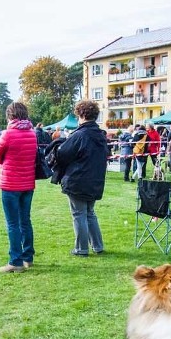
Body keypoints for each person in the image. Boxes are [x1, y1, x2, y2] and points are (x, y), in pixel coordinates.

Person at [55, 100, 108, 257]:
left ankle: (81, 248)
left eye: (78, 115)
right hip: (94, 180)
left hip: (78, 180)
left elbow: (62, 153)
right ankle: (97, 246)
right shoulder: (100, 135)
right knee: (89, 213)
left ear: (82, 115)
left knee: (79, 214)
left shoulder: (79, 135)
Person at [0, 101, 37, 273]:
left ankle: (15, 261)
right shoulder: (32, 134)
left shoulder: (8, 134)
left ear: (10, 115)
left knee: (13, 224)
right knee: (25, 221)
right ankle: (28, 257)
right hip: (27, 184)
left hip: (10, 184)